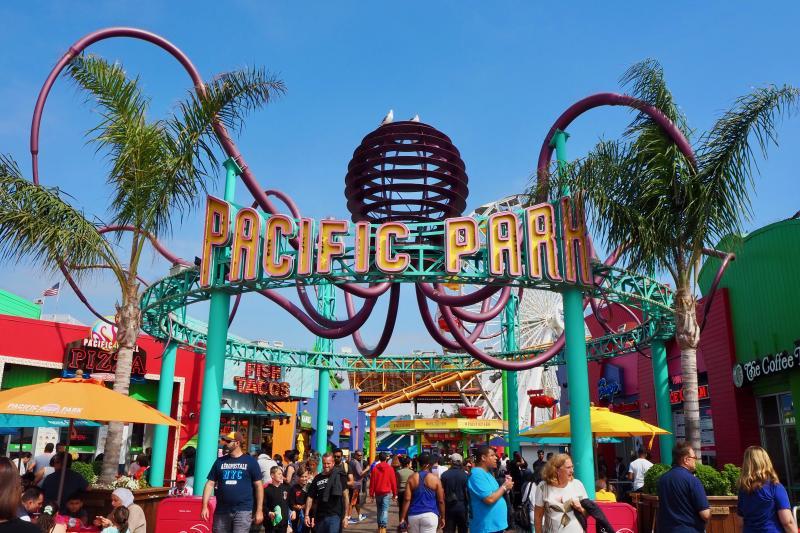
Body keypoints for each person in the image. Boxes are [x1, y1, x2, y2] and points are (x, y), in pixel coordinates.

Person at [201, 431, 264, 533]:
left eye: (229, 441)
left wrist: (259, 510)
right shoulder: (220, 461)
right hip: (222, 509)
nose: (225, 443)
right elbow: (210, 483)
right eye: (225, 441)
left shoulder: (250, 461)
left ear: (237, 443)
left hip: (243, 510)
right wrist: (204, 506)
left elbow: (259, 486)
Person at [736, 445, 797, 533]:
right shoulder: (775, 487)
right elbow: (787, 522)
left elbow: (741, 523)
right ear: (766, 461)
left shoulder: (743, 490)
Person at [656, 442, 710, 532]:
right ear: (686, 460)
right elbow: (705, 514)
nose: (695, 460)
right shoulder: (692, 480)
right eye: (694, 458)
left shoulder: (662, 479)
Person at [534, 453, 588, 533]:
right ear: (557, 470)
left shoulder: (577, 484)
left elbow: (587, 513)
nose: (572, 470)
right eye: (568, 467)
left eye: (572, 467)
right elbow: (538, 517)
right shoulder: (543, 487)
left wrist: (580, 509)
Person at [467, 445, 512, 533]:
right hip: (485, 527)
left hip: (494, 526)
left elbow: (495, 493)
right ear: (483, 457)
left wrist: (505, 487)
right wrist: (504, 487)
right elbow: (489, 499)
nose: (496, 458)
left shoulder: (487, 473)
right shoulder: (477, 474)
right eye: (492, 455)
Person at [304, 453, 350, 533]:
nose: (326, 465)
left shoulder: (340, 476)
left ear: (333, 463)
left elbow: (346, 496)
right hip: (320, 516)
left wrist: (346, 516)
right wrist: (307, 515)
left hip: (335, 515)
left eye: (328, 463)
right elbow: (310, 497)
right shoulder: (317, 478)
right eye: (324, 463)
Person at [400, 452, 444, 533]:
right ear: (427, 464)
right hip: (430, 515)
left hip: (413, 515)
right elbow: (441, 500)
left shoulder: (411, 478)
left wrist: (402, 518)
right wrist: (443, 517)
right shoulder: (435, 479)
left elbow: (406, 499)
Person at [440, 453, 468, 533]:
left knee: (448, 530)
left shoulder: (444, 475)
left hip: (448, 507)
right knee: (463, 529)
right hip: (462, 507)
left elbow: (441, 493)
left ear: (451, 462)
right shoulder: (465, 475)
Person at [369, 452, 397, 533]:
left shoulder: (375, 468)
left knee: (379, 510)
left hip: (378, 492)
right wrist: (395, 494)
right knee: (384, 510)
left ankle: (379, 527)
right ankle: (383, 527)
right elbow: (393, 482)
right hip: (386, 493)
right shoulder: (390, 468)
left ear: (379, 458)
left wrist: (371, 494)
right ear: (386, 458)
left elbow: (372, 482)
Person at [264, 466, 292, 533]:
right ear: (272, 475)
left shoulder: (286, 488)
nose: (281, 476)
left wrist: (292, 511)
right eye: (279, 474)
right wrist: (269, 513)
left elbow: (290, 503)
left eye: (282, 474)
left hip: (283, 524)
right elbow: (264, 505)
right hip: (271, 524)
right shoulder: (266, 490)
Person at [347, 450, 366, 523]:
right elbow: (360, 473)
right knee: (353, 501)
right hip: (355, 485)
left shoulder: (351, 462)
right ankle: (348, 517)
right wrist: (367, 468)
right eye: (358, 455)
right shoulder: (356, 463)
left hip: (353, 484)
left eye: (361, 455)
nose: (360, 456)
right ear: (355, 455)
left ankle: (359, 515)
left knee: (356, 501)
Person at [289, 469, 310, 533]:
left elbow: (313, 500)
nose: (304, 479)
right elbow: (290, 501)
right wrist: (295, 506)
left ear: (308, 476)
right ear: (298, 477)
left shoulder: (310, 487)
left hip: (307, 514)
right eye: (302, 477)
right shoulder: (294, 488)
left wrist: (305, 506)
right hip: (296, 514)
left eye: (305, 476)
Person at [395, 456, 414, 520]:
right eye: (410, 463)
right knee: (408, 508)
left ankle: (401, 523)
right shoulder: (412, 472)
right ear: (407, 464)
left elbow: (397, 484)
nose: (411, 464)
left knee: (401, 508)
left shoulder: (398, 472)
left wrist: (396, 494)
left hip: (400, 491)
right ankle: (407, 523)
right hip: (409, 492)